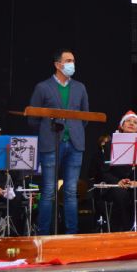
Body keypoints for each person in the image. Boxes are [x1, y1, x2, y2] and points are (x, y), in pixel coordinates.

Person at [29, 49, 89, 235]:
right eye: (68, 60)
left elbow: (85, 116)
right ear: (57, 65)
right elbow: (33, 118)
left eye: (73, 60)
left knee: (71, 191)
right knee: (48, 190)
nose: (72, 64)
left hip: (75, 144)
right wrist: (48, 130)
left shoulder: (80, 87)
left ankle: (72, 233)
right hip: (50, 143)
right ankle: (43, 234)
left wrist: (74, 130)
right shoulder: (43, 87)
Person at [98, 111, 137, 231]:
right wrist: (117, 181)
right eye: (128, 121)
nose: (132, 123)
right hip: (117, 184)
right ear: (122, 125)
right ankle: (123, 230)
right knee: (120, 194)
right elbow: (105, 171)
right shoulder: (110, 145)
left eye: (135, 122)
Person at [0, 117, 23, 240]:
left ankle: (12, 235)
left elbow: (16, 175)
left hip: (7, 187)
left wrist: (11, 187)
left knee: (17, 199)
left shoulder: (8, 152)